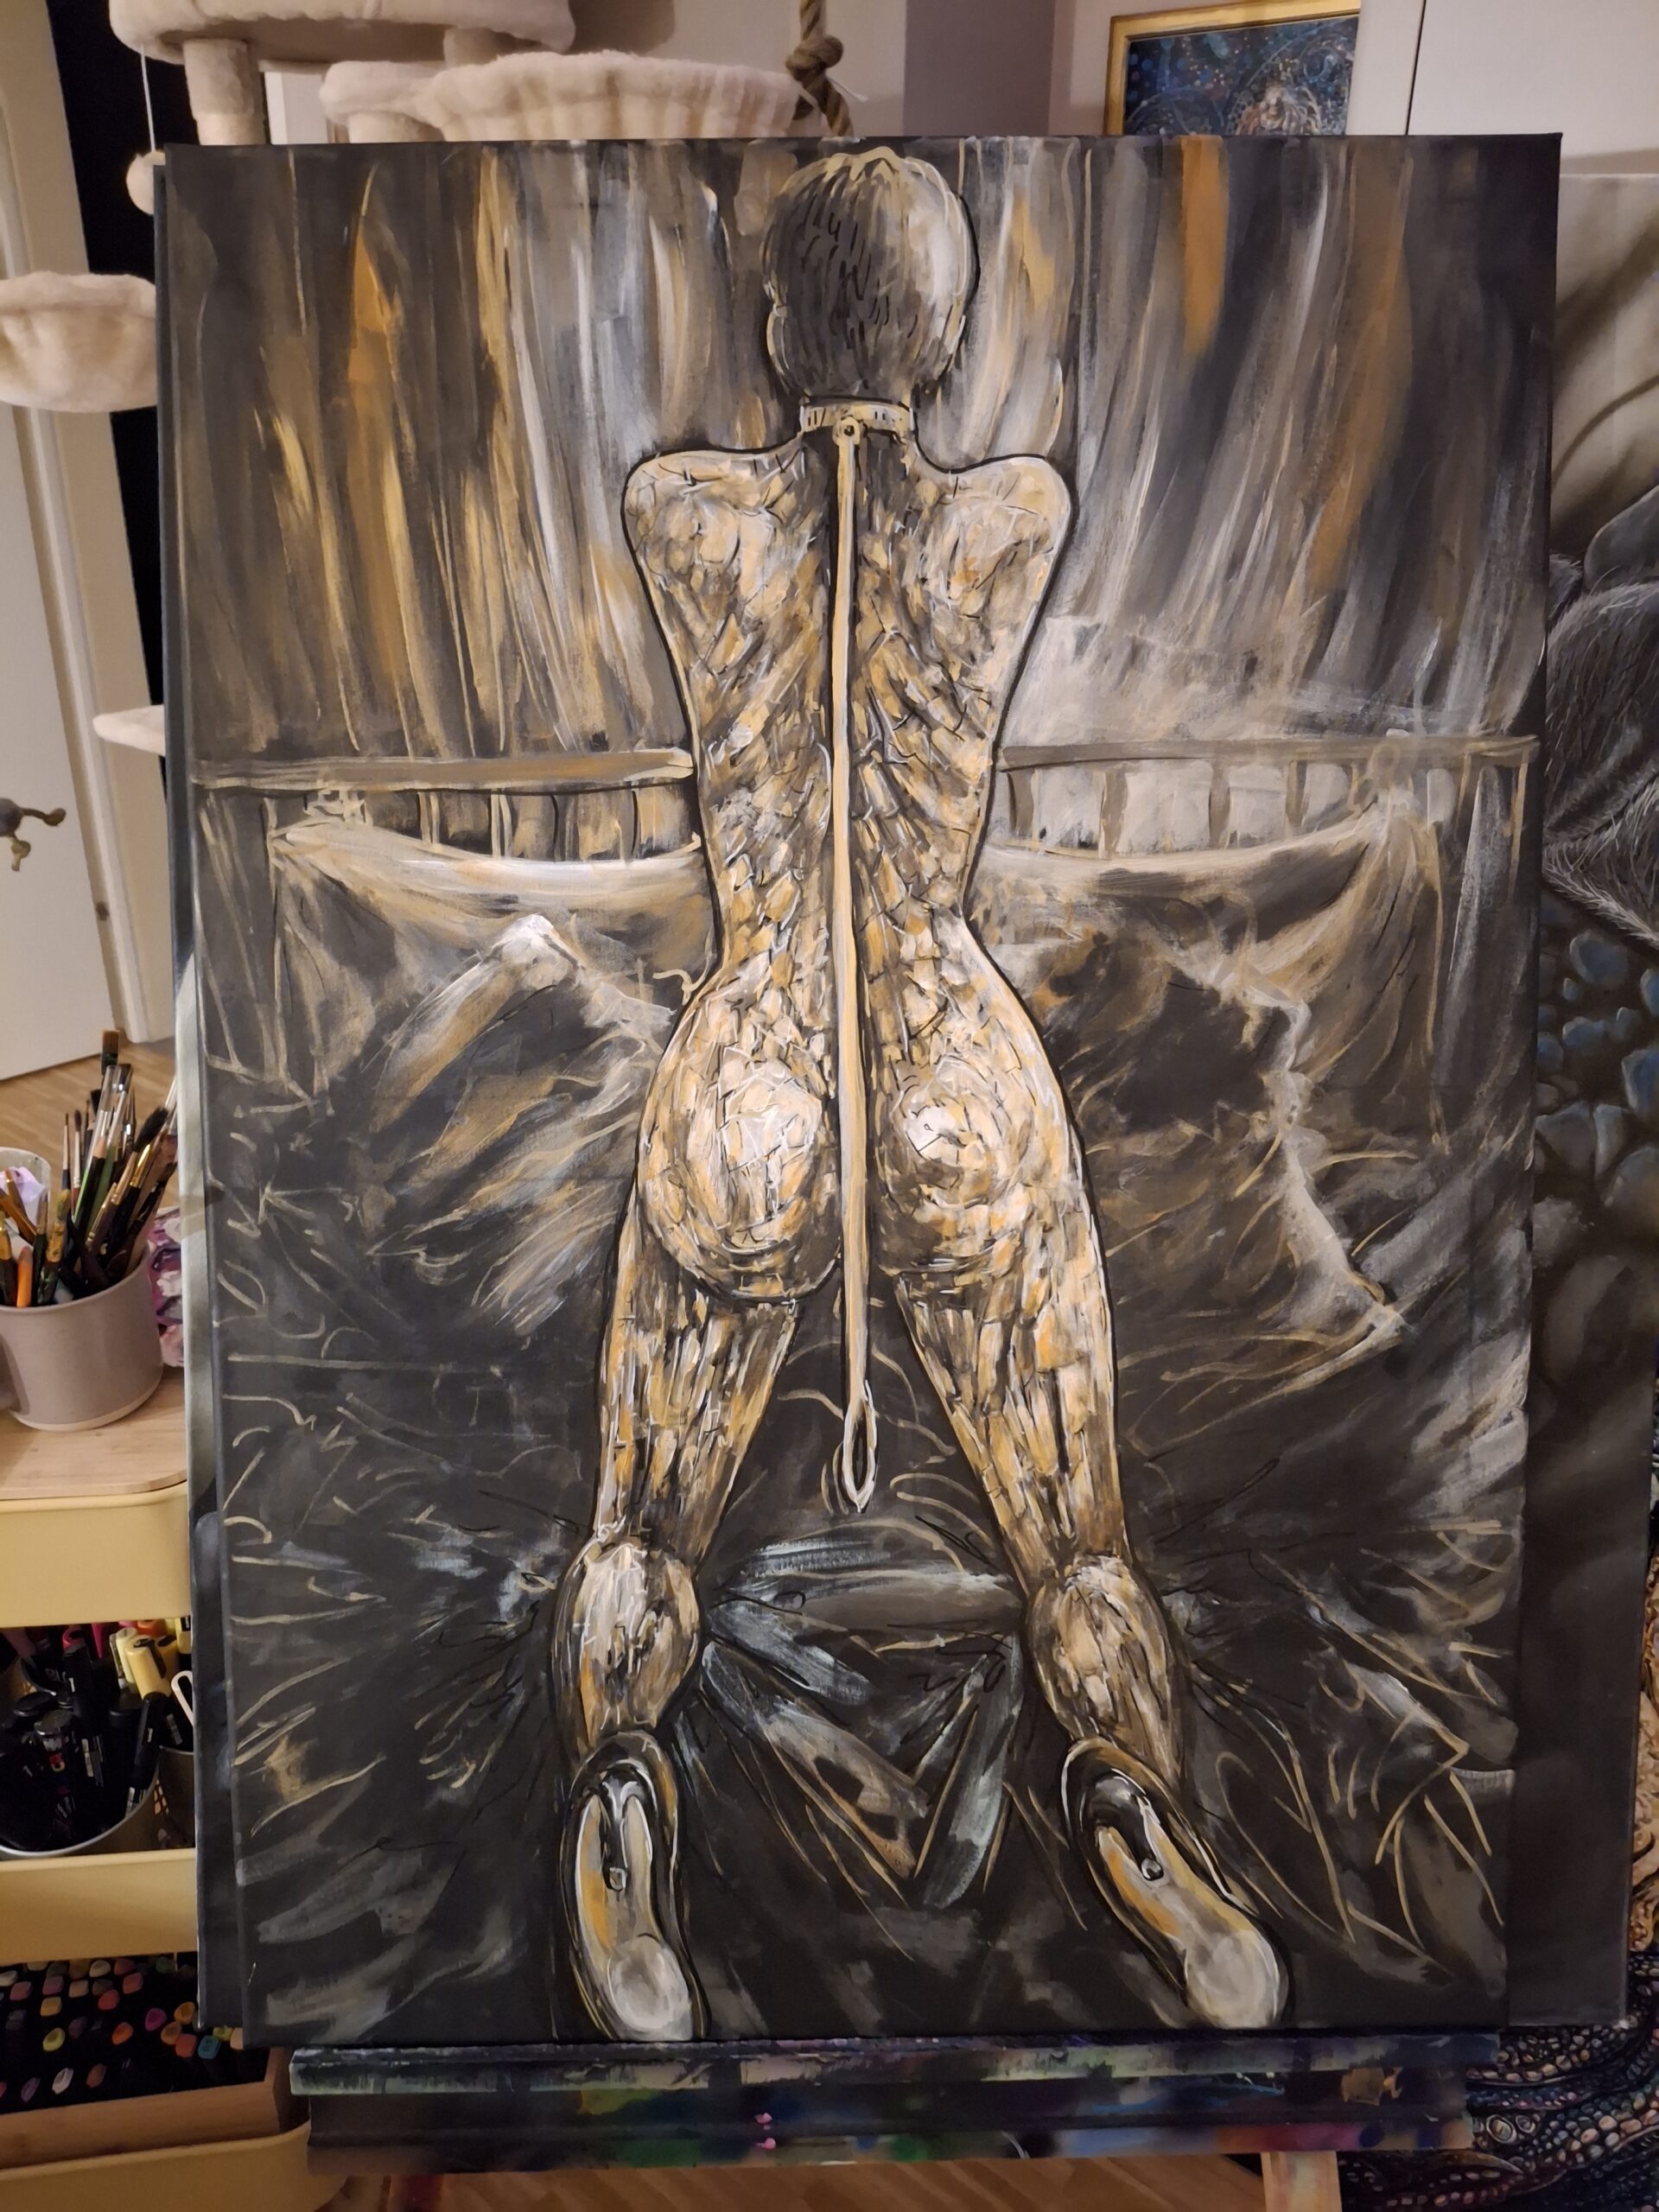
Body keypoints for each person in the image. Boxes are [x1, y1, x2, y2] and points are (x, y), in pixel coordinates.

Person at [552, 146, 1286, 2042]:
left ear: (773, 325)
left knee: (644, 1523)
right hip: (947, 1060)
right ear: (947, 338)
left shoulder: (676, 511)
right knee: (1079, 1543)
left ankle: (619, 1798)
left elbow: (758, 497)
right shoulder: (1017, 516)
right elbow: (935, 489)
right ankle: (1137, 1807)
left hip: (762, 1058)